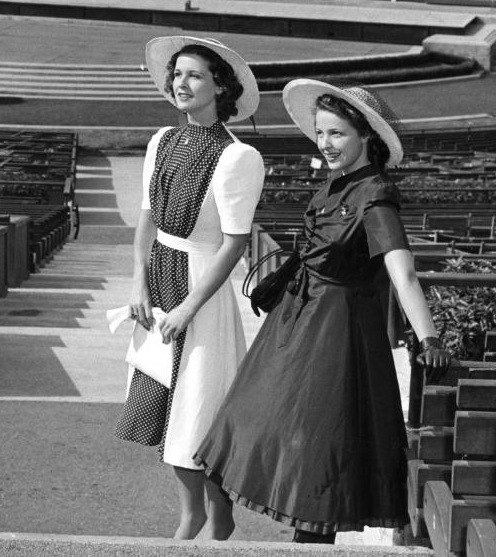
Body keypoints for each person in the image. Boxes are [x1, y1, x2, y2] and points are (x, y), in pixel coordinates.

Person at [195, 78, 450, 544]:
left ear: (366, 137)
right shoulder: (336, 184)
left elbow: (403, 274)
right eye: (320, 133)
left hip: (335, 336)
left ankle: (310, 547)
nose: (326, 144)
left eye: (337, 134)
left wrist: (428, 337)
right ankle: (229, 520)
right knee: (238, 424)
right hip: (293, 325)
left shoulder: (375, 196)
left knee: (318, 451)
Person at [115, 35, 265, 540]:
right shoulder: (162, 140)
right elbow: (147, 217)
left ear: (220, 85)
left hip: (199, 287)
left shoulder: (238, 157)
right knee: (162, 401)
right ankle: (195, 509)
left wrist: (187, 308)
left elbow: (233, 245)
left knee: (199, 405)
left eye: (195, 74)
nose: (182, 83)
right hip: (158, 278)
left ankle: (205, 514)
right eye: (177, 74)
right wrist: (138, 282)